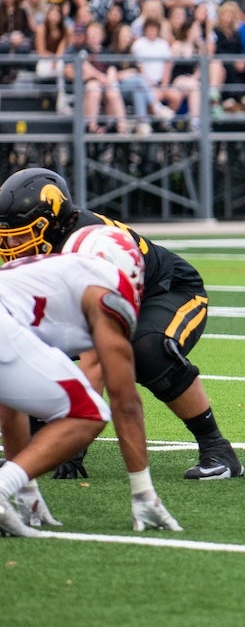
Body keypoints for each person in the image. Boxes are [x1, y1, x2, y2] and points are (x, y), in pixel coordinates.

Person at [0, 168, 243, 481]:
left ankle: (216, 446)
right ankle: (35, 436)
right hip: (102, 299)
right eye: (6, 236)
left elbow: (96, 359)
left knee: (148, 350)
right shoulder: (49, 246)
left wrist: (75, 439)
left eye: (22, 233)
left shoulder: (89, 249)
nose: (12, 245)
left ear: (53, 222)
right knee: (20, 343)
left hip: (168, 291)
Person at [0, 224, 181, 536]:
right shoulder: (106, 284)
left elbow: (11, 399)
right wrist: (143, 492)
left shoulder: (43, 274)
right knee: (89, 413)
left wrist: (27, 492)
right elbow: (124, 401)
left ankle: (15, 491)